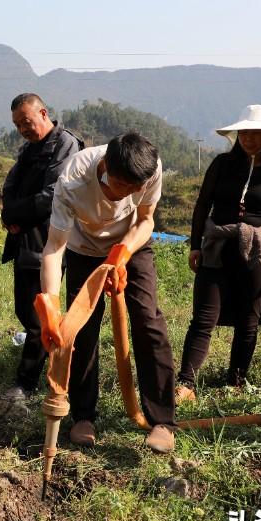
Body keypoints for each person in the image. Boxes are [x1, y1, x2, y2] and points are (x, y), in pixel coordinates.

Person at [39, 133, 177, 454]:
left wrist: (123, 253)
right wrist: (50, 305)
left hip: (131, 243)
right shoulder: (73, 181)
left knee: (148, 321)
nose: (128, 193)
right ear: (105, 167)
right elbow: (54, 248)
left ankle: (162, 422)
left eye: (134, 188)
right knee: (82, 331)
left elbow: (145, 219)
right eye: (122, 187)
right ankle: (83, 417)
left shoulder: (149, 168)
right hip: (83, 248)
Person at [175, 105, 261, 400]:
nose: (249, 138)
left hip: (259, 251)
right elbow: (203, 204)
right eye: (245, 132)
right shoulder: (222, 163)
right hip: (217, 245)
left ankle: (236, 381)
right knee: (203, 316)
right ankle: (185, 383)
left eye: (257, 133)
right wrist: (195, 244)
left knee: (248, 320)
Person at [0, 94, 82, 400]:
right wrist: (10, 214)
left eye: (27, 122)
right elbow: (9, 186)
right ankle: (48, 358)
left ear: (44, 113)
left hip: (50, 241)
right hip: (24, 241)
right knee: (25, 308)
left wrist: (13, 213)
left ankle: (27, 383)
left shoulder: (66, 146)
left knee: (39, 316)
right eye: (17, 124)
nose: (23, 128)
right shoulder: (29, 149)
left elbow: (53, 195)